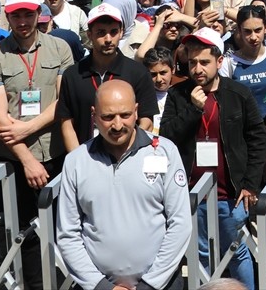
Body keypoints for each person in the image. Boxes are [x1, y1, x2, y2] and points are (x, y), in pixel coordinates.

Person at [0, 0, 75, 290]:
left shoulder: (60, 48)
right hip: (16, 162)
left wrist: (28, 127)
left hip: (56, 154)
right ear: (8, 17)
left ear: (38, 14)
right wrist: (28, 159)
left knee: (67, 229)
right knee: (26, 234)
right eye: (16, 15)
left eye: (28, 14)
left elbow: (64, 101)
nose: (23, 21)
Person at [56, 80, 192, 290]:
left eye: (125, 115)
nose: (118, 125)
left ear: (136, 112)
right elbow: (68, 234)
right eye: (108, 117)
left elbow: (180, 224)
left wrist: (150, 284)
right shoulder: (76, 161)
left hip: (160, 286)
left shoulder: (166, 151)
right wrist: (100, 286)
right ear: (94, 116)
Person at [160, 27, 266, 290]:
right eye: (192, 62)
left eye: (204, 62)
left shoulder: (238, 93)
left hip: (230, 194)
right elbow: (167, 137)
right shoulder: (178, 94)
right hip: (191, 194)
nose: (197, 68)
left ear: (219, 62)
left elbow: (257, 139)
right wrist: (193, 110)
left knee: (237, 251)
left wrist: (250, 184)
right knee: (201, 257)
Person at [56, 2, 157, 150]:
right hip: (87, 159)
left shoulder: (138, 73)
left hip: (128, 157)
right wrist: (78, 160)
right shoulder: (72, 75)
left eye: (113, 32)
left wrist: (128, 155)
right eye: (101, 32)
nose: (108, 39)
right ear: (89, 34)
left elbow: (146, 121)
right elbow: (67, 124)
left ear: (121, 32)